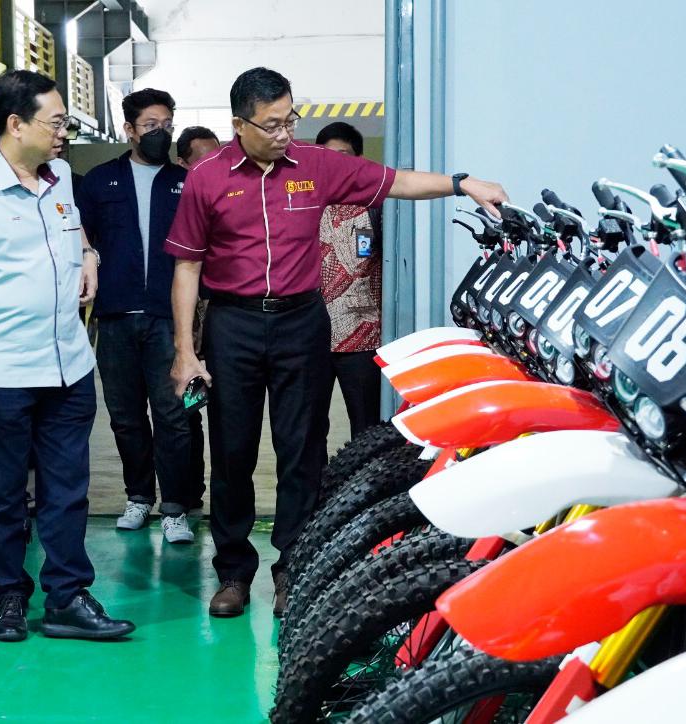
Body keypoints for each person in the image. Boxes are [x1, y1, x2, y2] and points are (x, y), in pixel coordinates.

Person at [165, 67, 508, 618]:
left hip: (303, 322)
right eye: (272, 124)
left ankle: (292, 572)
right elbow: (186, 267)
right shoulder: (207, 177)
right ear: (239, 124)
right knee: (232, 451)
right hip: (233, 325)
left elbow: (395, 180)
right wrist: (186, 349)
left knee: (302, 450)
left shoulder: (315, 164)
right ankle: (232, 572)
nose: (285, 133)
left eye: (290, 118)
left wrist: (461, 182)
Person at [0, 69, 134, 643]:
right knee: (0, 495)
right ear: (15, 125)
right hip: (1, 370)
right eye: (57, 122)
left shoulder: (61, 175)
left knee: (68, 490)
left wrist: (87, 252)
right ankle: (9, 594)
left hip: (68, 364)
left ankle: (66, 596)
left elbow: (72, 232)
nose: (64, 132)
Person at [76, 89, 194, 543]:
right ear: (129, 130)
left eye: (167, 123)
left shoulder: (183, 181)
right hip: (116, 316)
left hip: (168, 317)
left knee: (173, 414)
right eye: (150, 125)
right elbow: (80, 231)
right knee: (125, 415)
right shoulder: (101, 181)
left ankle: (176, 507)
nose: (160, 132)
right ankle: (139, 497)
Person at [315, 121, 383, 439]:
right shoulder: (303, 203)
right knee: (309, 428)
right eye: (328, 156)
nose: (336, 163)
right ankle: (314, 489)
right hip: (310, 334)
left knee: (365, 426)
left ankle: (363, 487)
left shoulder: (376, 204)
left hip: (362, 335)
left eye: (344, 154)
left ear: (358, 158)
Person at [174, 125, 222, 517]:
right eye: (202, 159)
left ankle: (205, 489)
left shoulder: (224, 199)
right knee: (188, 414)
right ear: (184, 163)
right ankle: (188, 496)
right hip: (188, 332)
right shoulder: (181, 203)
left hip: (221, 329)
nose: (212, 165)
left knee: (225, 417)